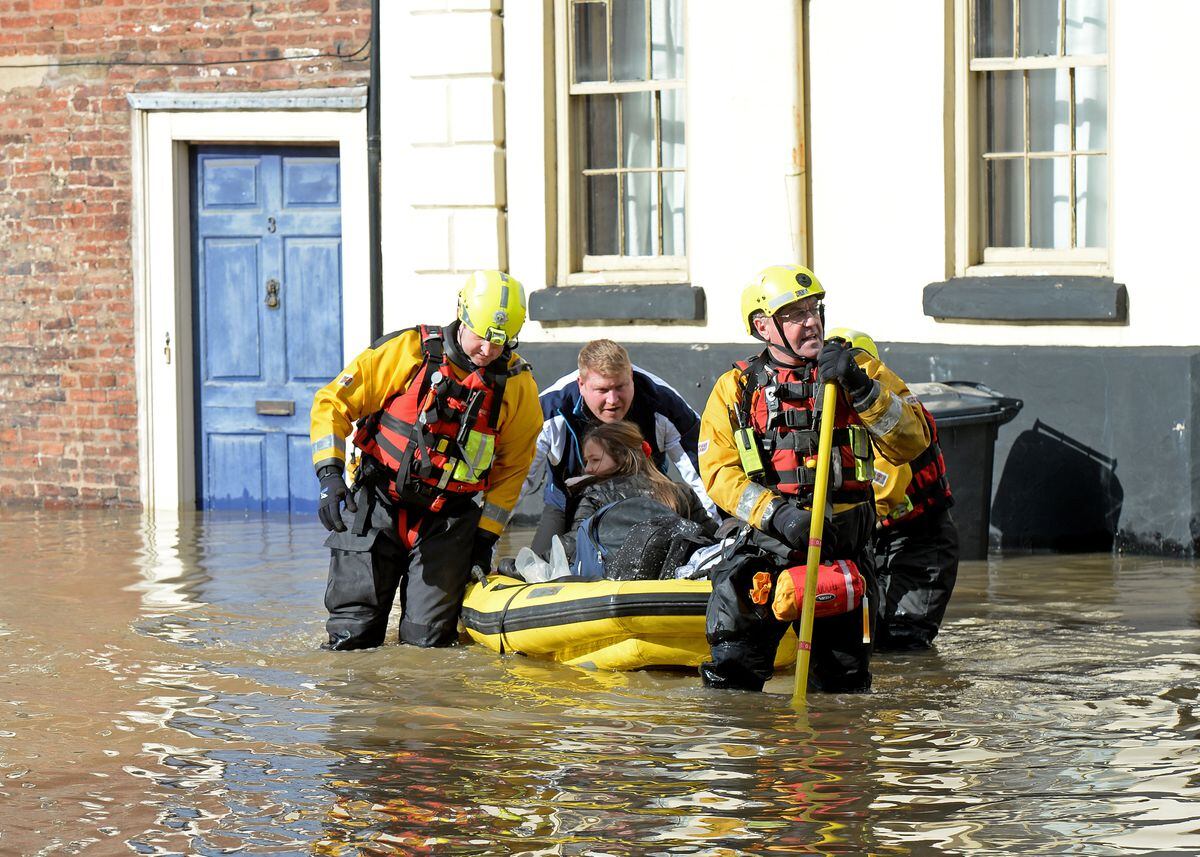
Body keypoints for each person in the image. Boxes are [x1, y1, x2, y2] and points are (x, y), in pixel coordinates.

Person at [697, 264, 931, 692]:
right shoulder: (736, 388)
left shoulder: (860, 370)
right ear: (764, 326)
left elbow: (914, 441)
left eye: (814, 309)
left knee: (844, 689)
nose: (811, 322)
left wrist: (861, 388)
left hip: (843, 553)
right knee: (733, 677)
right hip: (770, 549)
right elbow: (718, 473)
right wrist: (777, 515)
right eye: (794, 314)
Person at [309, 270, 542, 650]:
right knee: (351, 639)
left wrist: (484, 538)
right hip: (377, 506)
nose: (488, 350)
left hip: (447, 522)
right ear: (462, 315)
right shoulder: (408, 352)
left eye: (501, 342)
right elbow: (331, 403)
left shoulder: (517, 388)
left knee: (428, 645)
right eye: (482, 336)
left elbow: (513, 468)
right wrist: (329, 476)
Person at [827, 328, 959, 651]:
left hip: (920, 544)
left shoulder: (892, 419)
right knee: (867, 639)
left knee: (902, 645)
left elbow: (886, 493)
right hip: (880, 542)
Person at [524, 339, 719, 557]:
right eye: (603, 390)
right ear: (581, 384)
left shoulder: (663, 401)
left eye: (620, 387)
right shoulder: (549, 409)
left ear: (632, 378)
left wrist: (722, 538)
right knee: (539, 565)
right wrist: (488, 542)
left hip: (650, 499)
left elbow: (703, 471)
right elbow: (517, 480)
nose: (613, 400)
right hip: (567, 504)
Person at [559, 420, 717, 562]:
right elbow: (710, 540)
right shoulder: (680, 493)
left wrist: (539, 560)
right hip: (674, 585)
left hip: (616, 587)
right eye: (587, 461)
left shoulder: (594, 496)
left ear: (622, 457)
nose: (588, 469)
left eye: (595, 460)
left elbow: (574, 545)